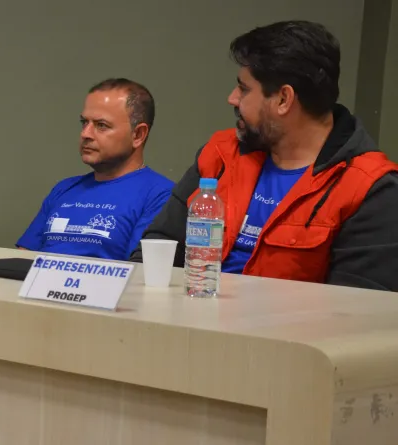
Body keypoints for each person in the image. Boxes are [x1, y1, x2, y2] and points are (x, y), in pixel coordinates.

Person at [132, 21, 398, 291]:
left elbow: (357, 311)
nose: (232, 98)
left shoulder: (371, 189)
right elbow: (157, 249)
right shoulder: (220, 154)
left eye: (244, 89)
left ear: (284, 99)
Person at [16, 79, 172, 260]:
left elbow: (140, 274)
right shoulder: (64, 189)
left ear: (138, 134)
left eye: (101, 125)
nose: (85, 134)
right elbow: (23, 260)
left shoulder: (161, 195)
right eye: (84, 122)